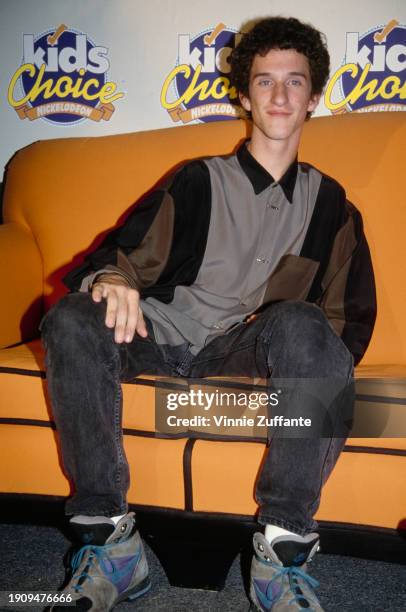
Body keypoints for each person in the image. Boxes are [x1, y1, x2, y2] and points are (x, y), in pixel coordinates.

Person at [41, 16, 376, 612]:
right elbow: (125, 256)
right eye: (264, 81)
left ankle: (282, 555)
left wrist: (313, 383)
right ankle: (112, 545)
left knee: (305, 324)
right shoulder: (199, 181)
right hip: (155, 335)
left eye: (294, 83)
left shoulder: (334, 208)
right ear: (244, 97)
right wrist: (113, 279)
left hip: (247, 353)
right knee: (71, 315)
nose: (279, 95)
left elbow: (344, 328)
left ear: (313, 100)